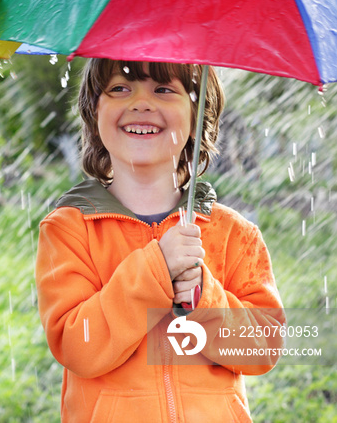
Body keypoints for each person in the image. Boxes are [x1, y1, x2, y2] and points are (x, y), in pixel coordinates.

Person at [35, 59, 284, 423]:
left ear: (197, 113)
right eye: (120, 88)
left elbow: (262, 348)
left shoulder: (234, 234)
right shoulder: (70, 229)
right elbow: (78, 346)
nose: (141, 102)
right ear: (94, 110)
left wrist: (204, 300)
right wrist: (154, 271)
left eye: (164, 89)